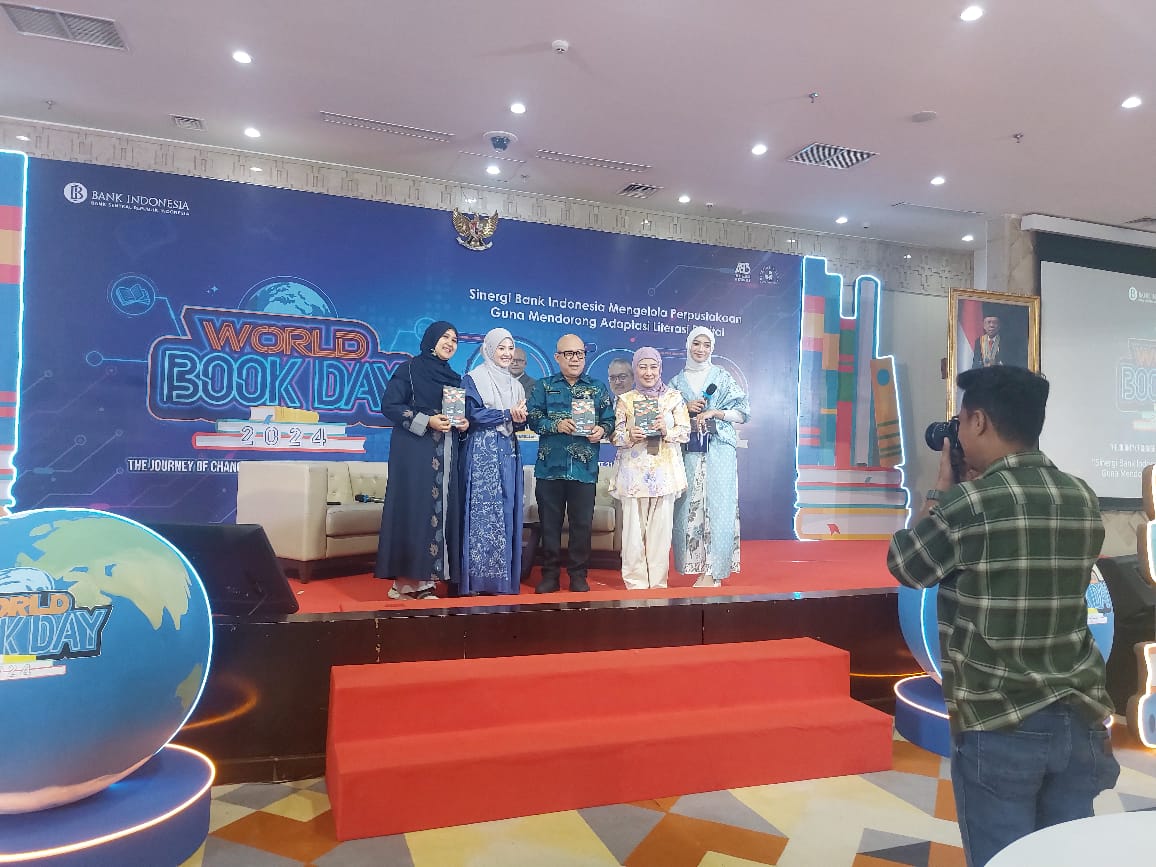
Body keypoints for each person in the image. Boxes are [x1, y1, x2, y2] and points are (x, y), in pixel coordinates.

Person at [887, 366, 1119, 867]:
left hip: (999, 724)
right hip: (1079, 719)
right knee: (1066, 858)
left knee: (1004, 858)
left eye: (961, 422)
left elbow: (907, 564)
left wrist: (941, 489)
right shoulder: (1080, 496)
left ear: (979, 422)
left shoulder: (969, 504)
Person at [374, 321, 469, 599]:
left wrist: (463, 424)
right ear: (431, 339)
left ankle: (424, 581)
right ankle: (406, 585)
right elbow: (390, 406)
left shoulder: (453, 378)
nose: (450, 343)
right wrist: (427, 420)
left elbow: (454, 415)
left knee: (438, 513)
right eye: (445, 337)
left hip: (446, 453)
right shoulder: (410, 369)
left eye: (455, 339)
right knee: (414, 511)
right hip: (414, 453)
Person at [526, 333, 614, 593]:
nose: (575, 359)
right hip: (550, 470)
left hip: (584, 470)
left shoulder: (597, 388)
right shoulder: (543, 386)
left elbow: (609, 419)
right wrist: (556, 424)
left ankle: (578, 575)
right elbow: (533, 418)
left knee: (581, 525)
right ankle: (550, 575)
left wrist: (602, 430)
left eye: (580, 353)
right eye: (569, 354)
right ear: (557, 357)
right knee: (549, 525)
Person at [670, 327, 750, 587]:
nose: (701, 349)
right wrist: (684, 408)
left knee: (719, 508)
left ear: (712, 348)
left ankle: (714, 571)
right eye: (696, 344)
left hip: (719, 451)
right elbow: (665, 416)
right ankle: (696, 566)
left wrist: (716, 413)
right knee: (690, 508)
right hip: (689, 452)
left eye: (706, 345)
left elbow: (743, 412)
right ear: (688, 346)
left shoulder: (722, 377)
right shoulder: (676, 383)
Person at [610, 347, 689, 589]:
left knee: (661, 535)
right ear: (635, 369)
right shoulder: (625, 400)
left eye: (653, 367)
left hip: (664, 475)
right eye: (643, 367)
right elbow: (615, 436)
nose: (648, 372)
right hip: (633, 475)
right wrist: (629, 436)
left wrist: (667, 431)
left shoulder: (674, 398)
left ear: (660, 369)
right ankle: (635, 583)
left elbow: (685, 432)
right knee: (633, 535)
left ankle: (657, 584)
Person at [460, 328, 527, 595]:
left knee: (507, 508)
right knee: (483, 512)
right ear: (488, 349)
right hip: (483, 451)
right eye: (501, 348)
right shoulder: (474, 378)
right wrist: (506, 414)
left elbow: (518, 421)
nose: (507, 354)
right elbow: (472, 415)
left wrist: (520, 419)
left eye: (510, 348)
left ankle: (502, 582)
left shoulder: (516, 385)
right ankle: (477, 581)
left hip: (508, 450)